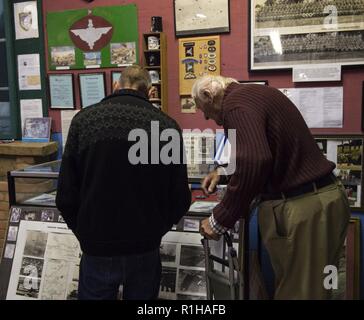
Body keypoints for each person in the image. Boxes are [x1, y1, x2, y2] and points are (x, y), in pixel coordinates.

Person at [192, 75, 350, 300]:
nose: (207, 117)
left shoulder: (235, 106)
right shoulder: (250, 96)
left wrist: (220, 219)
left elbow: (255, 160)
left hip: (303, 206)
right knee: (317, 287)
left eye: (203, 109)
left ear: (209, 96)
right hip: (319, 199)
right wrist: (223, 173)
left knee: (300, 293)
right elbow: (259, 154)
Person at [56, 65, 191, 300]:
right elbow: (180, 198)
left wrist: (85, 234)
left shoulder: (84, 121)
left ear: (116, 86)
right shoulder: (168, 128)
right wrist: (156, 231)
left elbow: (66, 194)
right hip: (145, 248)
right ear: (150, 92)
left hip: (97, 246)